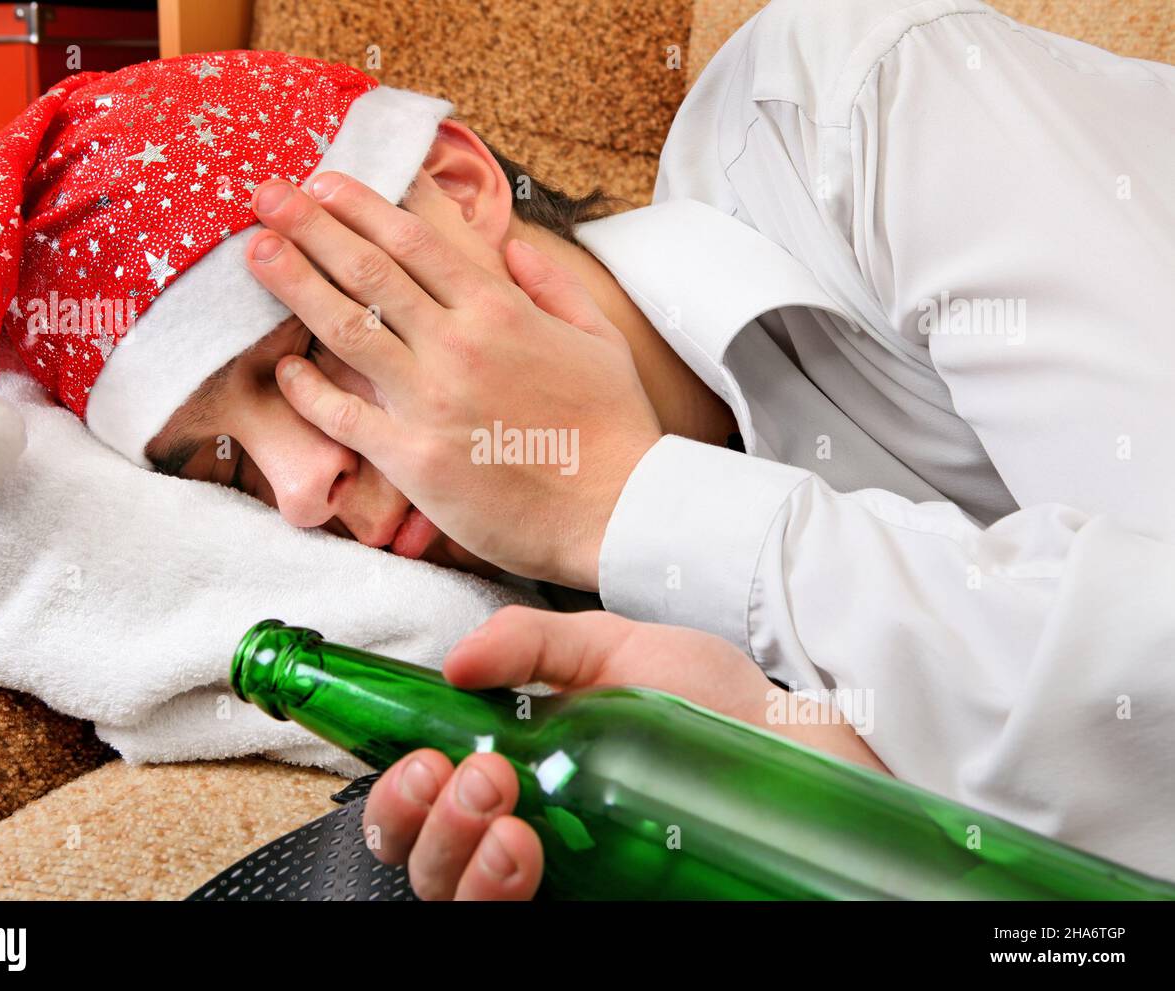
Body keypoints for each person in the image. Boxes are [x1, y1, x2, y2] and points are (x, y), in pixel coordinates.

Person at [227, 0, 1175, 896]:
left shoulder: (859, 106)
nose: (301, 489)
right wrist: (814, 752)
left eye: (316, 343)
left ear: (463, 192)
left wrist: (624, 497)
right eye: (224, 469)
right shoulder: (575, 667)